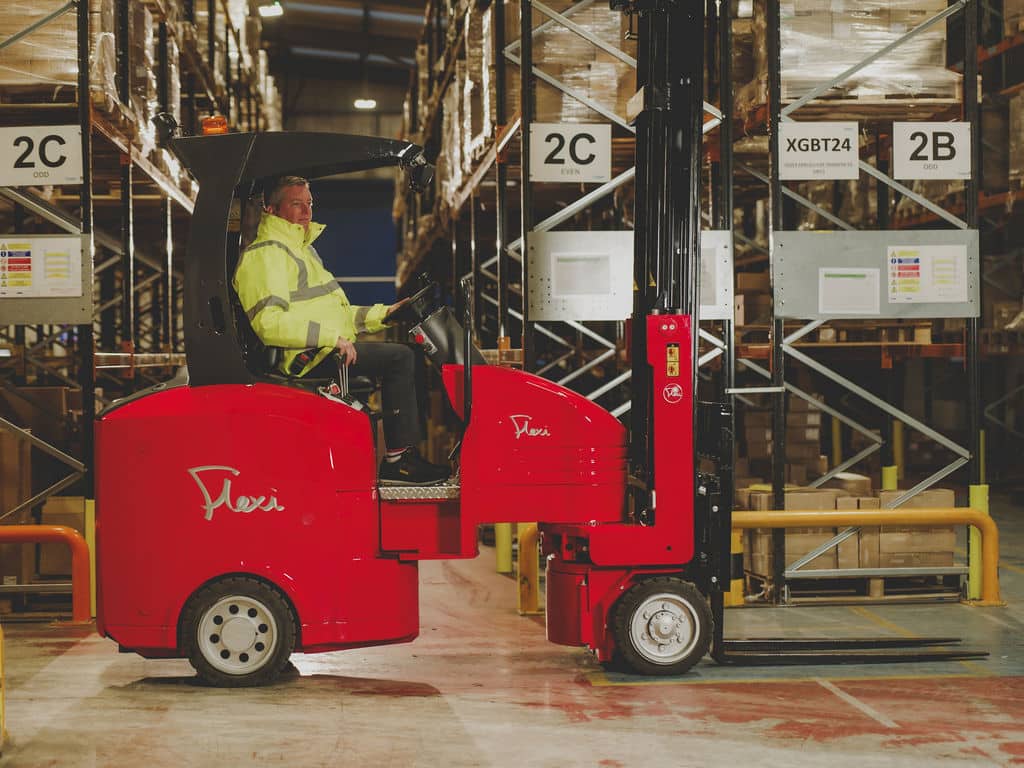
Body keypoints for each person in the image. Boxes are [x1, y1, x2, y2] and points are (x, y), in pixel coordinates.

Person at [232, 175, 450, 486]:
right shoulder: (266, 255)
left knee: (407, 352)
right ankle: (400, 461)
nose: (307, 212)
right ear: (271, 210)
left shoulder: (302, 252)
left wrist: (385, 315)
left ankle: (404, 455)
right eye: (297, 204)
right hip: (304, 357)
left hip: (323, 348)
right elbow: (269, 324)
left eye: (309, 204)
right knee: (400, 358)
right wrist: (331, 339)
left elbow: (341, 316)